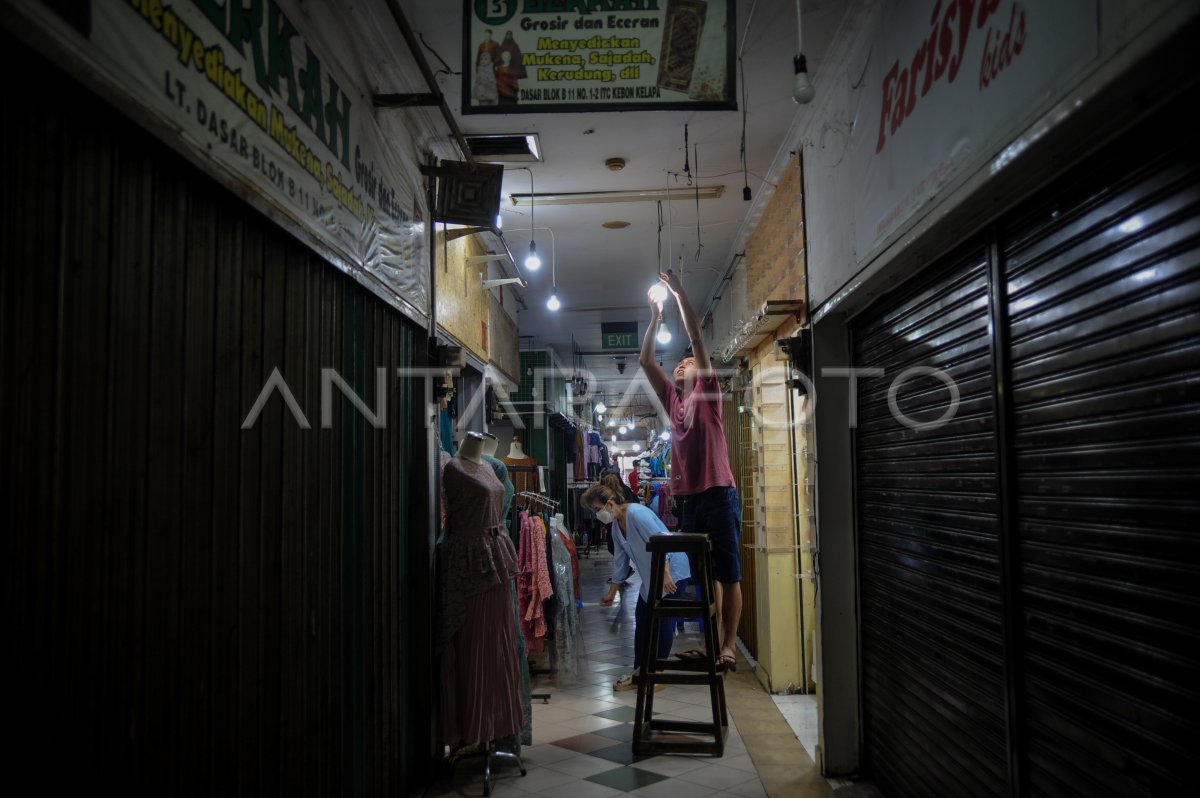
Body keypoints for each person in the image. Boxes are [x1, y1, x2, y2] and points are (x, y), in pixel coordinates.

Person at [639, 270, 743, 672]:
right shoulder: (672, 401)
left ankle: (729, 646)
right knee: (704, 576)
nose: (682, 365)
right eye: (679, 363)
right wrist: (653, 316)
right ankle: (712, 642)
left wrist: (680, 292)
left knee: (729, 573)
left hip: (718, 491)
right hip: (687, 498)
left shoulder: (708, 392)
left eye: (687, 362)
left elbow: (698, 339)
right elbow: (646, 360)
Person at [583, 483, 692, 692]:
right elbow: (621, 562)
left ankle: (657, 673)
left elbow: (663, 540)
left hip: (673, 572)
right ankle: (639, 672)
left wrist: (666, 574)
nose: (597, 515)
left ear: (609, 503)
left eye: (597, 510)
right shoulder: (616, 526)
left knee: (663, 621)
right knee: (642, 619)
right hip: (653, 576)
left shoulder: (637, 514)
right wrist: (612, 592)